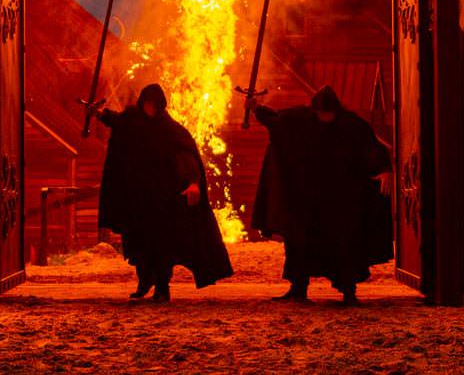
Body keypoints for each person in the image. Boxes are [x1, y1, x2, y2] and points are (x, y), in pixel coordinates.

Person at [252, 86, 393, 304]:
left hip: (341, 199)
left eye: (329, 113)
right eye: (321, 114)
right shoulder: (301, 119)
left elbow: (371, 147)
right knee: (300, 242)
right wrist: (256, 108)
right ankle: (299, 288)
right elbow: (277, 121)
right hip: (307, 198)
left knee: (345, 244)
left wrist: (383, 169)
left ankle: (348, 291)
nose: (325, 117)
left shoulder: (351, 125)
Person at [96, 83, 233, 301]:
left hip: (161, 201)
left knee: (161, 246)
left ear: (160, 105)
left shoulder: (171, 130)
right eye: (146, 103)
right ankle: (143, 282)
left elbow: (188, 158)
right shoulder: (133, 122)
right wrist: (99, 113)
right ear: (142, 103)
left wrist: (193, 183)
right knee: (137, 246)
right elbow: (116, 120)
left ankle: (161, 287)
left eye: (153, 104)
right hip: (137, 199)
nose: (149, 108)